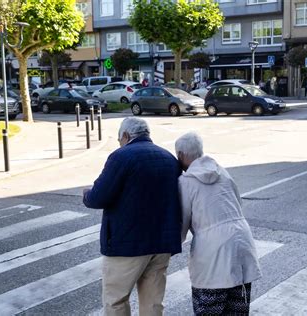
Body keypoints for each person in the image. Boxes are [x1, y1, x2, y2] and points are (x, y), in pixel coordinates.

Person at [83, 117, 182, 316]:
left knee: (116, 300)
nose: (119, 143)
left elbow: (98, 198)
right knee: (153, 303)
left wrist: (87, 194)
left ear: (126, 136)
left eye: (119, 139)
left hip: (127, 245)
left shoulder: (121, 157)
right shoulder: (169, 158)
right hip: (161, 244)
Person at [175, 132, 261, 315]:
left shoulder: (185, 182)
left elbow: (181, 225)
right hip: (242, 243)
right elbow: (238, 203)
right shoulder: (222, 171)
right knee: (237, 309)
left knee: (209, 308)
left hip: (212, 253)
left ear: (180, 155)